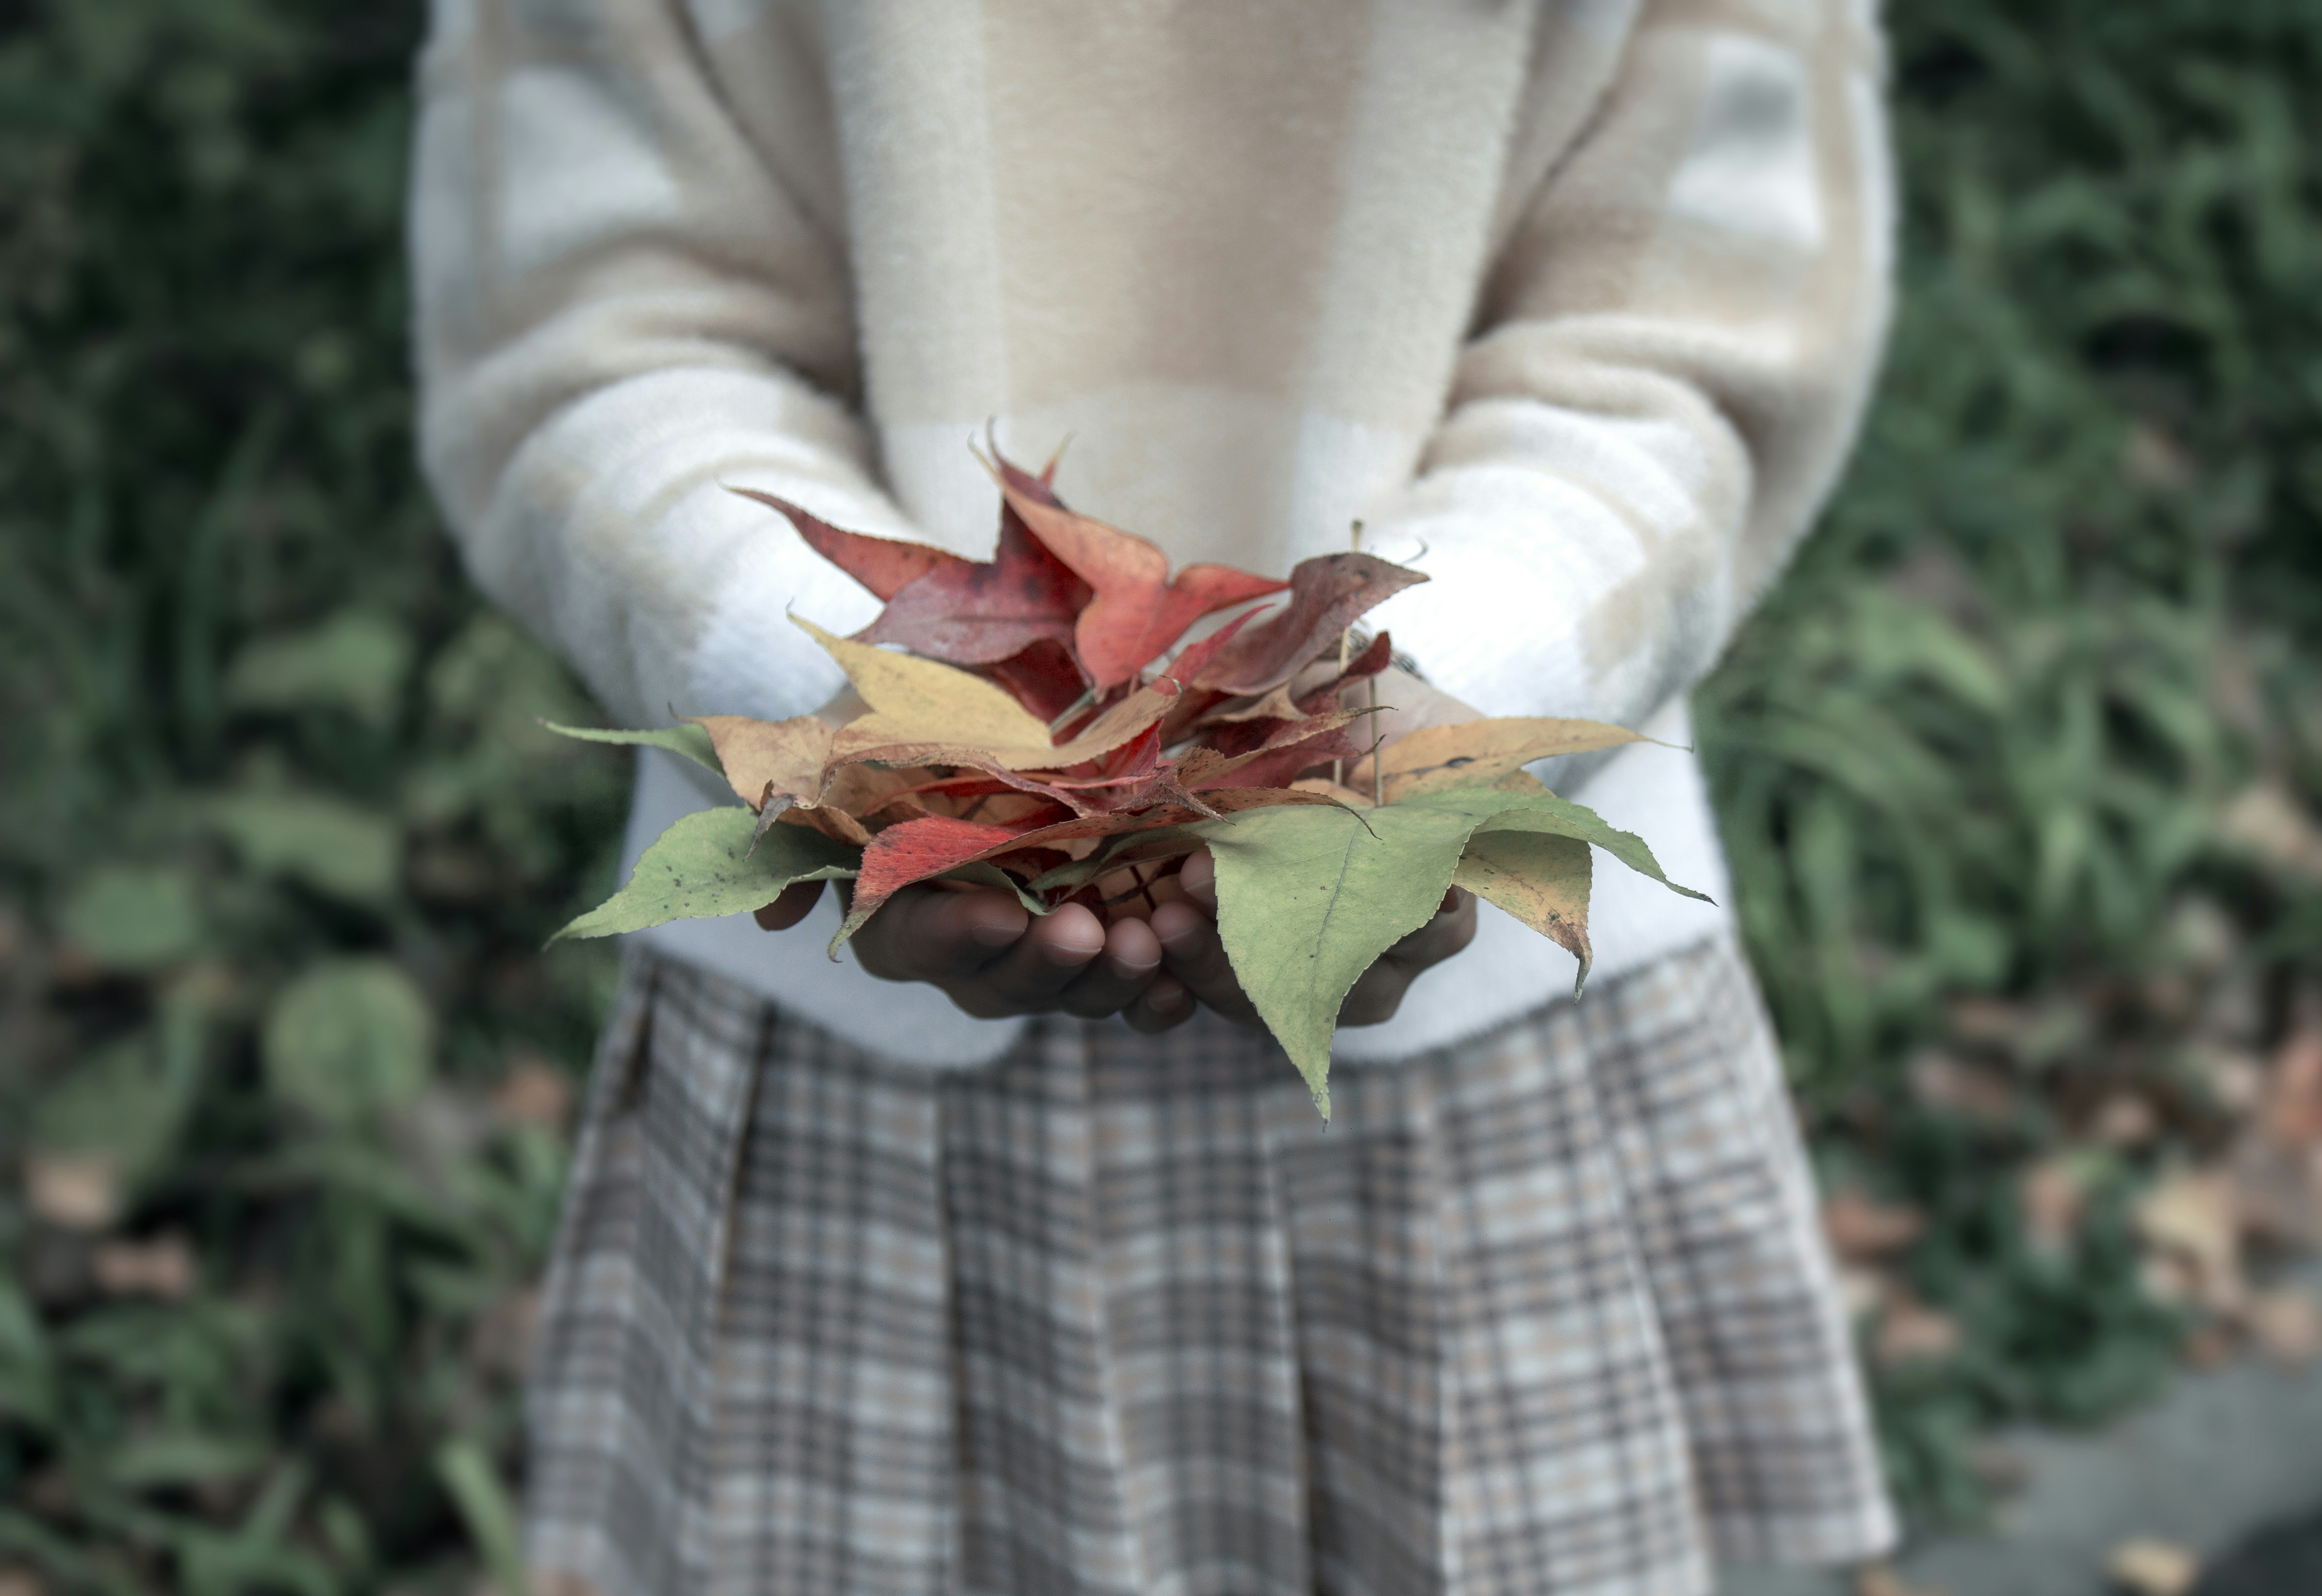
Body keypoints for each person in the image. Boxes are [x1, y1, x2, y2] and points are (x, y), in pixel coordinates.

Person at [412, 1, 1900, 1591]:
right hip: (864, 1037)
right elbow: (590, 327)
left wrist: (1428, 719)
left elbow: (1695, 331)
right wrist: (853, 727)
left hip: (1476, 1058)